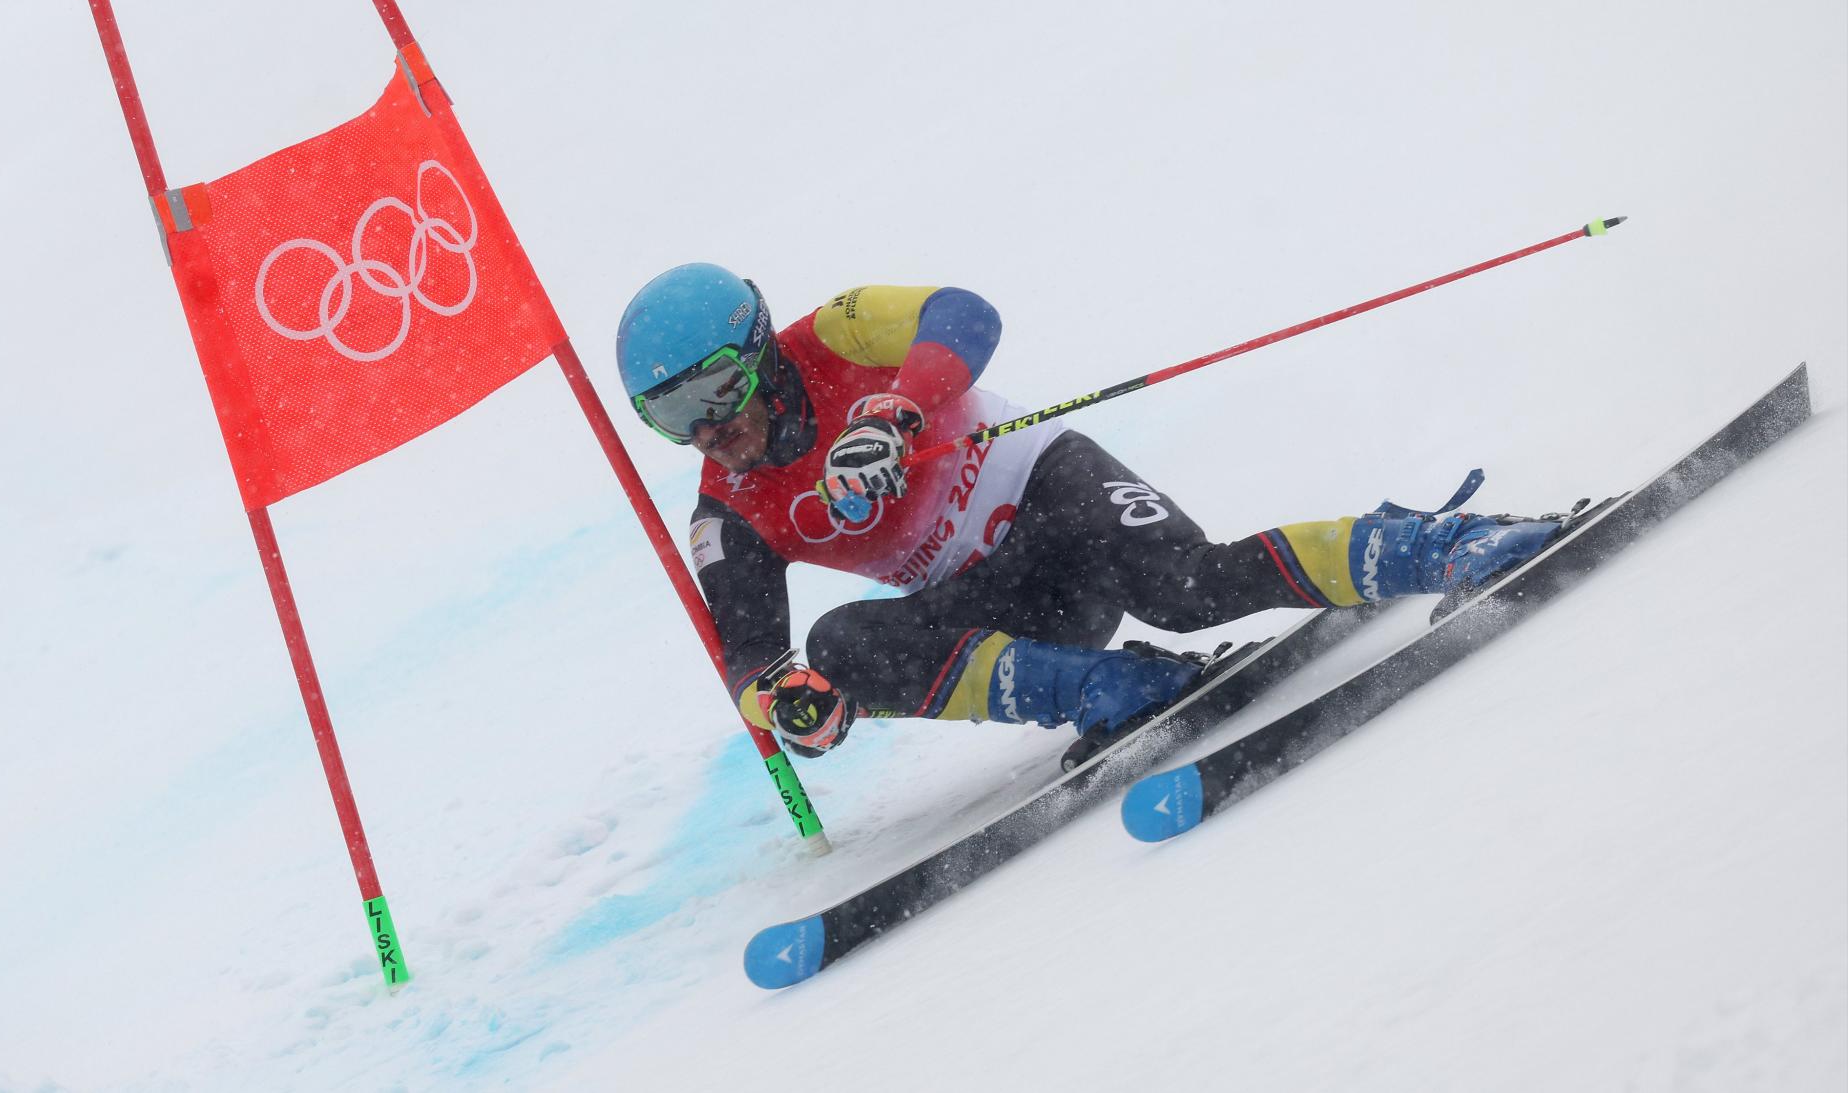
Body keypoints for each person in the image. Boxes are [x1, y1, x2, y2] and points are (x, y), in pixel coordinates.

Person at [615, 264, 1560, 763]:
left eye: (713, 393)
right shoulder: (723, 513)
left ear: (760, 352)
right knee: (842, 644)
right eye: (668, 417)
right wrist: (794, 708)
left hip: (1048, 490)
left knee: (1189, 590)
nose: (706, 432)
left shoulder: (833, 331)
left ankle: (1443, 546)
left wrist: (899, 406)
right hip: (1007, 610)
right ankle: (1108, 690)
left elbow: (964, 311)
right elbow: (751, 654)